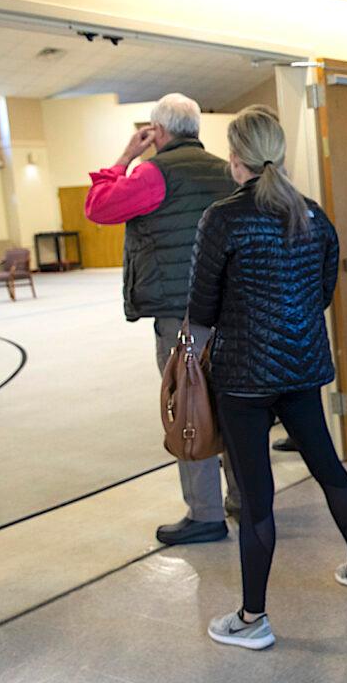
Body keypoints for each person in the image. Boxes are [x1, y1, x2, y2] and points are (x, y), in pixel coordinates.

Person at [189, 106, 347, 651]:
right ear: (280, 152)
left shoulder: (222, 218)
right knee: (328, 469)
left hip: (243, 376)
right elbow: (321, 290)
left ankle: (253, 619)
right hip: (301, 369)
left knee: (257, 498)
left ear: (235, 157)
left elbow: (201, 307)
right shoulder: (312, 215)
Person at [85, 92, 240, 546]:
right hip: (230, 310)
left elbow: (99, 208)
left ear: (159, 131)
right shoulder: (223, 169)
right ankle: (244, 499)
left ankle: (206, 515)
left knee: (189, 409)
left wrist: (127, 155)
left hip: (182, 315)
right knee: (231, 406)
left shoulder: (154, 173)